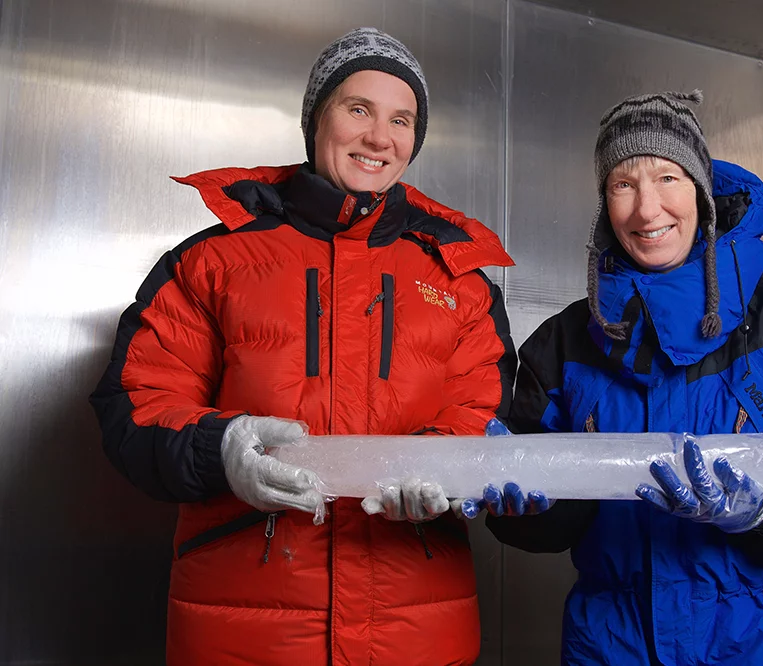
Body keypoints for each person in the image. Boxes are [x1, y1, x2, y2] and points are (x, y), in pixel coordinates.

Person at [91, 27, 519, 665]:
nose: (380, 137)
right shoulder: (212, 261)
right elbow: (137, 404)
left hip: (415, 632)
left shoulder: (459, 280)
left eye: (401, 120)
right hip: (243, 635)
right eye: (358, 109)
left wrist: (444, 468)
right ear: (316, 120)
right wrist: (221, 449)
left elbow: (480, 412)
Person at [486, 91, 763, 665]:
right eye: (623, 184)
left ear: (702, 192)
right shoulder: (564, 342)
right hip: (613, 645)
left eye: (668, 178)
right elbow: (544, 517)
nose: (646, 210)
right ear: (604, 204)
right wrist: (527, 509)